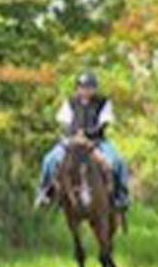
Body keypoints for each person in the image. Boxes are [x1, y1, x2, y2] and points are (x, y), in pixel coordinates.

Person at [37, 72, 130, 209]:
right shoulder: (70, 102)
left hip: (97, 141)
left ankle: (121, 196)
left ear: (95, 88)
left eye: (90, 87)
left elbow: (104, 123)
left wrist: (87, 134)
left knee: (118, 161)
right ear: (78, 88)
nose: (86, 90)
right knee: (49, 160)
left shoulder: (103, 102)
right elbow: (65, 123)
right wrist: (75, 135)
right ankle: (44, 193)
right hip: (72, 140)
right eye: (83, 87)